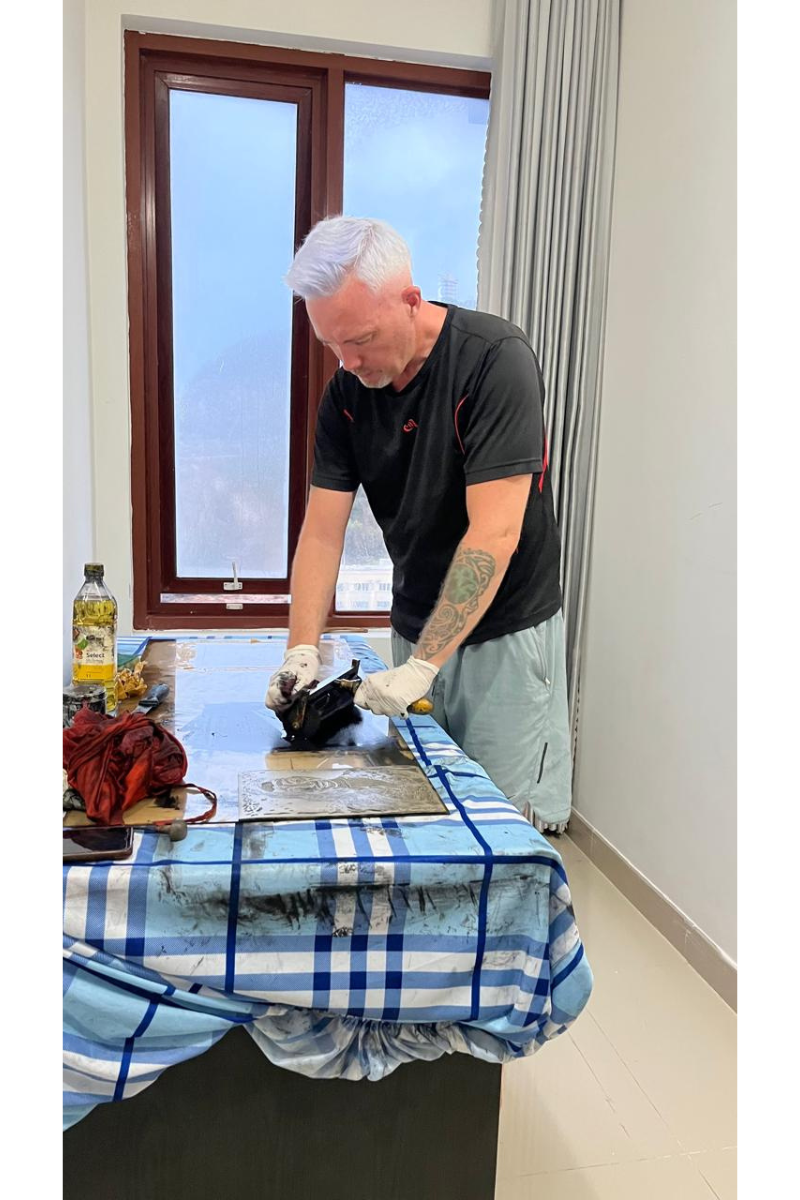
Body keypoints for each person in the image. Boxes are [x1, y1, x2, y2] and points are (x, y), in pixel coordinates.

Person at [264, 216, 571, 832]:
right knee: (421, 813)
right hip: (416, 625)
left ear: (410, 299)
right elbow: (323, 532)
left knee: (496, 828)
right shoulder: (347, 393)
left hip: (501, 634)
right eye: (332, 345)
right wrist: (303, 647)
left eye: (362, 340)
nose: (348, 362)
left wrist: (424, 666)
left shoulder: (493, 362)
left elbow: (494, 534)